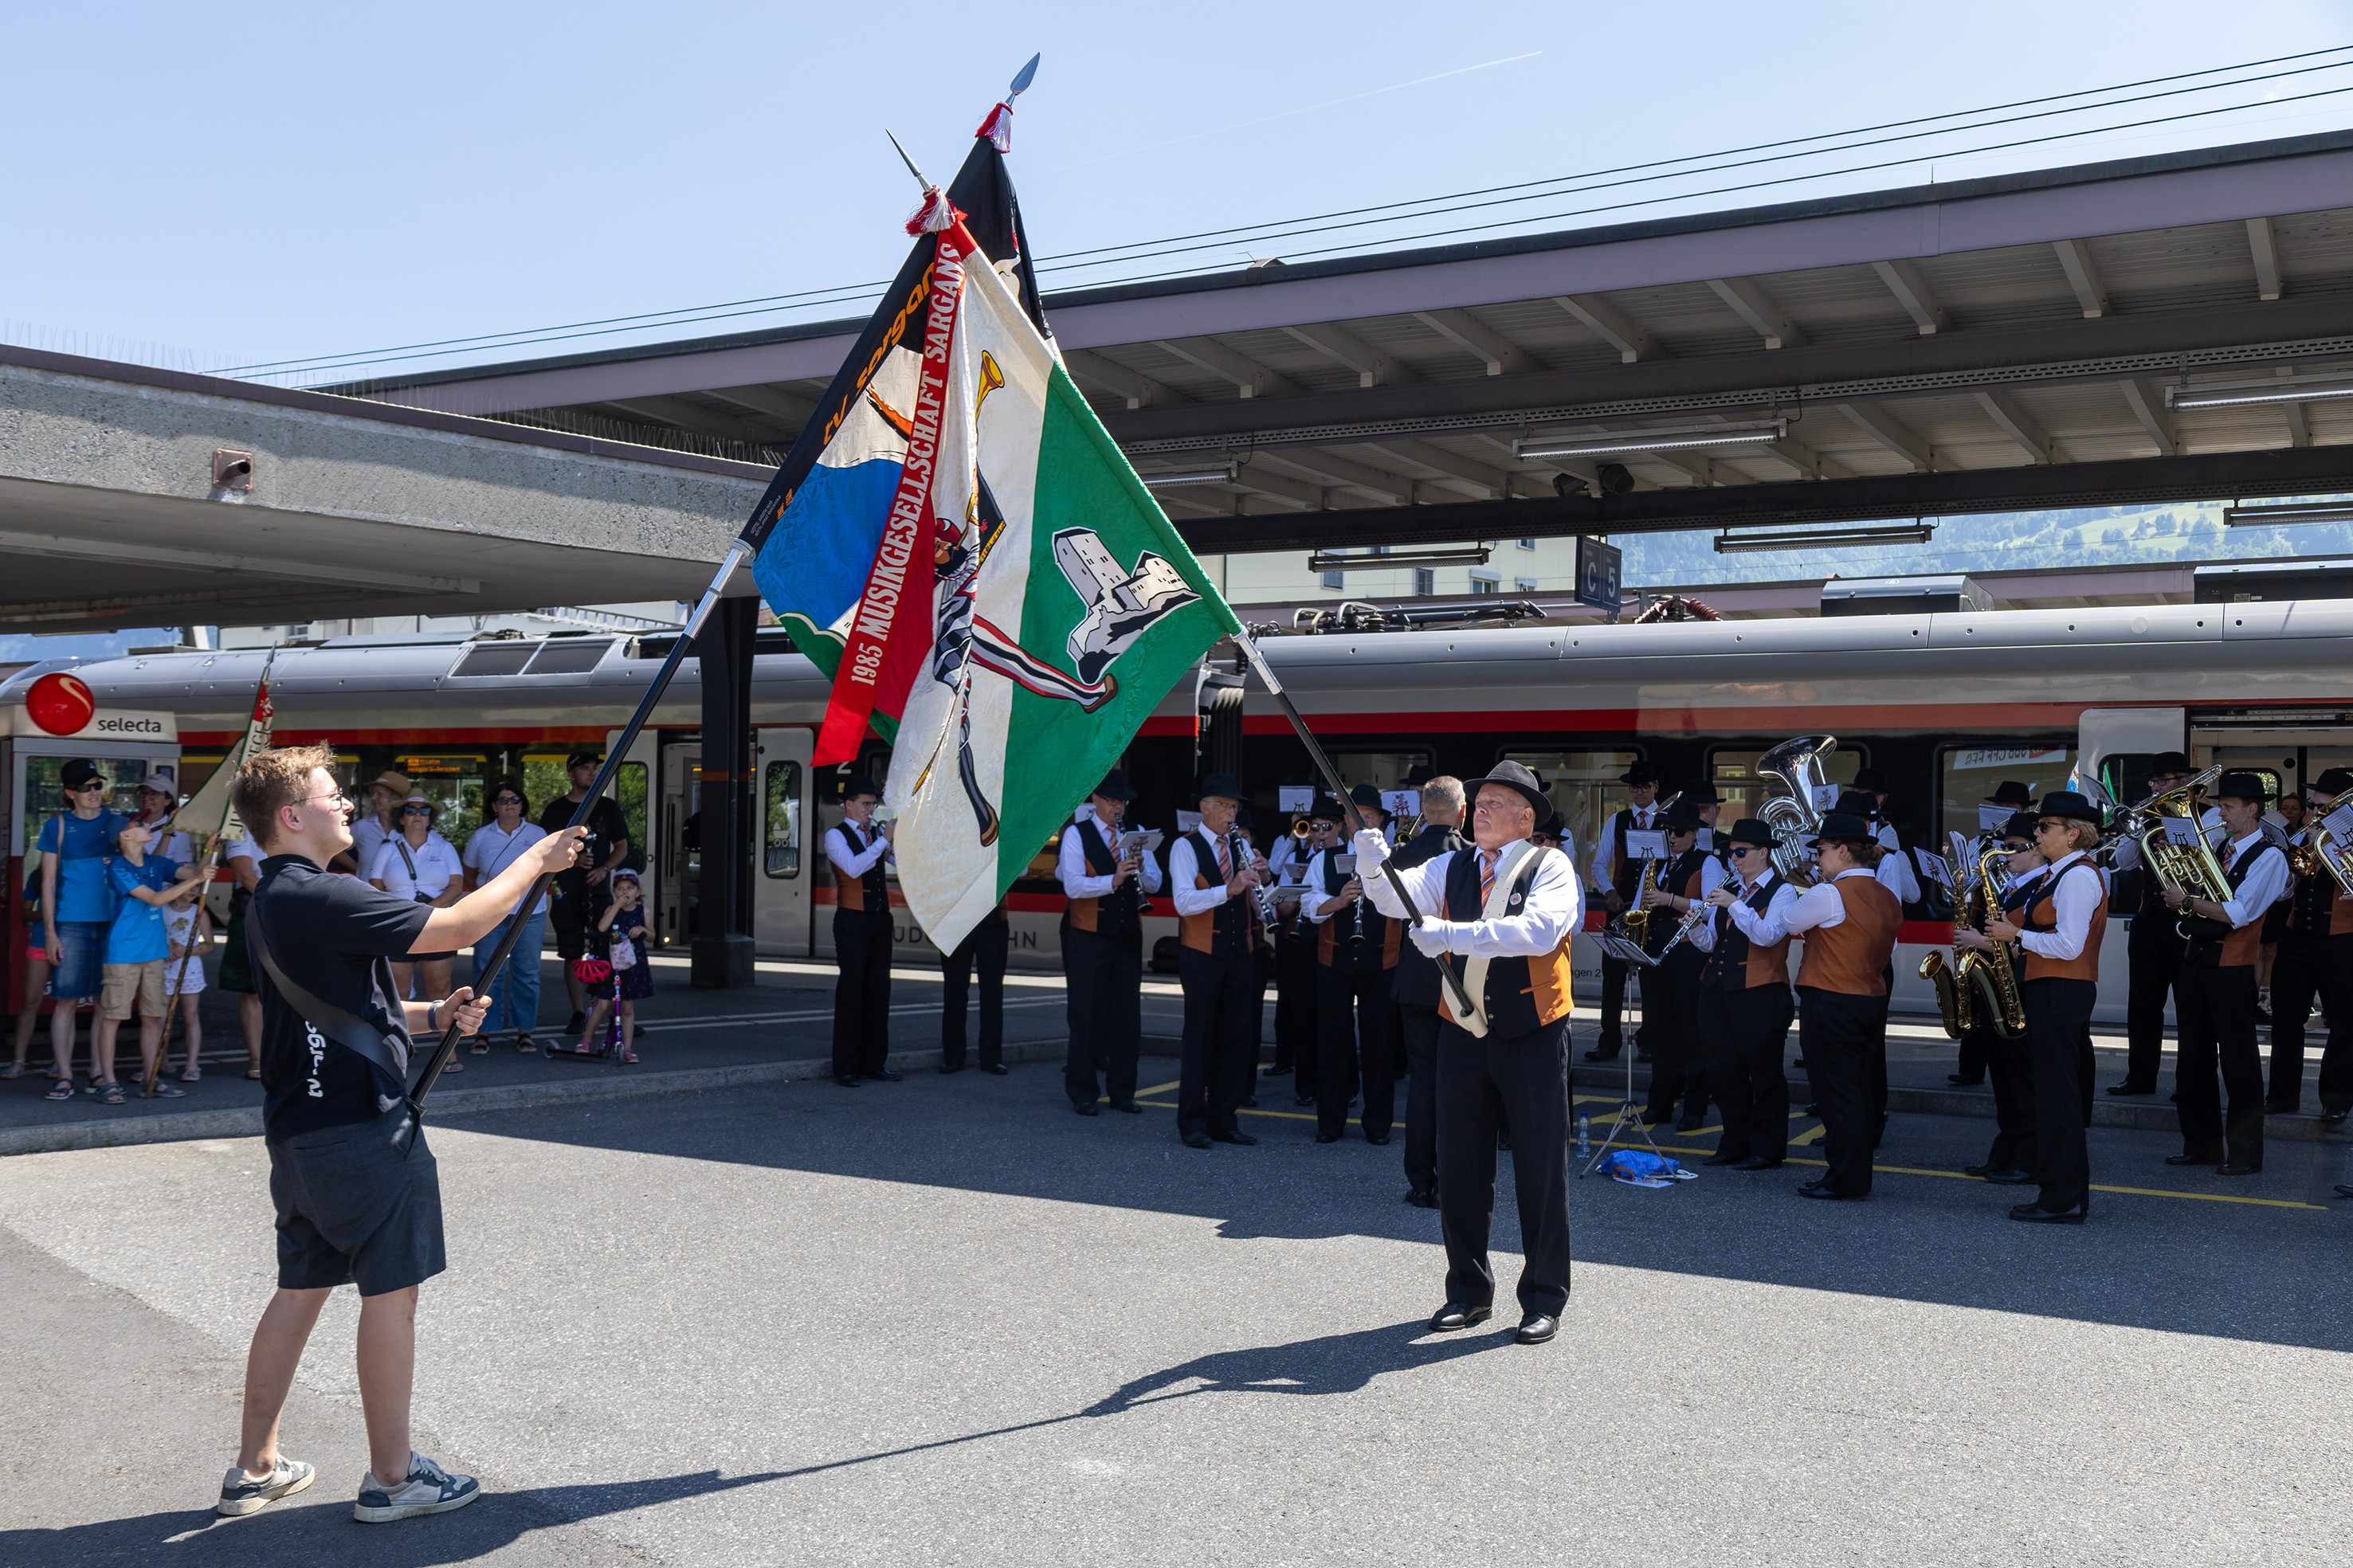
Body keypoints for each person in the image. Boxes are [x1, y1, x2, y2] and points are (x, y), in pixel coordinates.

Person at [216, 743, 582, 1525]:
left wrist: (433, 1016)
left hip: (301, 1136)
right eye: (329, 793)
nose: (345, 804)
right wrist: (538, 861)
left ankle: (255, 1467)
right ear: (290, 816)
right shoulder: (322, 894)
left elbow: (349, 1011)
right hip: (364, 1132)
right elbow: (456, 925)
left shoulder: (275, 898)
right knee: (392, 1295)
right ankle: (391, 1477)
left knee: (300, 1290)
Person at [1358, 760, 1578, 1347]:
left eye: (1496, 802)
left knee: (1540, 1168)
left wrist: (1450, 935)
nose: (1480, 808)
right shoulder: (1451, 863)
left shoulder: (1550, 865)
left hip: (1532, 1031)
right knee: (1459, 1166)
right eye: (1477, 801)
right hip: (1460, 1028)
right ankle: (1467, 1291)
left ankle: (1543, 1296)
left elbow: (1535, 931)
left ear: (1526, 817)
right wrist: (1370, 862)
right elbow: (1393, 901)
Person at [1977, 793, 2108, 1224]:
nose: (2036, 833)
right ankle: (2058, 1193)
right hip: (2051, 989)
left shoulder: (2078, 877)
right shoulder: (2060, 874)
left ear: (2073, 834)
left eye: (2045, 826)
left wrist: (2015, 935)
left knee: (2059, 1099)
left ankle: (2063, 1198)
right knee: (2051, 1097)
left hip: (2062, 990)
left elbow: (2070, 946)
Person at [2163, 772, 2289, 1176]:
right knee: (2192, 1060)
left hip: (2233, 967)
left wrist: (2189, 900)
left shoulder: (2269, 856)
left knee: (2239, 1064)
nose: (2221, 812)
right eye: (2221, 805)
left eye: (2228, 806)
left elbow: (2240, 913)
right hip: (2198, 962)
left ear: (2252, 810)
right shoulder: (2219, 849)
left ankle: (2245, 1154)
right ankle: (2201, 1146)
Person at [1779, 811, 1903, 1201]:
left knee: (1836, 1093)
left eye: (1823, 850)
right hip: (1868, 997)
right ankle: (1854, 1175)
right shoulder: (1886, 894)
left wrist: (1808, 889)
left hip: (1830, 999)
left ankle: (1845, 1178)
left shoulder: (1828, 892)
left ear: (1844, 851)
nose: (1818, 858)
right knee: (1859, 1091)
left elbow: (1787, 921)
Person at [1300, 784, 1402, 1146]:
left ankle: (1377, 1125)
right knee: (1333, 1044)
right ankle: (1331, 1121)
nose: (1362, 824)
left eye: (1369, 818)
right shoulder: (1323, 859)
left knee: (1379, 1045)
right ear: (1346, 822)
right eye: (1356, 818)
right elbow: (1309, 906)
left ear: (1380, 823)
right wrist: (1338, 901)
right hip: (1335, 959)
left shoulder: (1395, 861)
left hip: (1381, 961)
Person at [1168, 774, 1265, 1149]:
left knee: (1236, 1037)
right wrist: (1230, 888)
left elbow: (1257, 902)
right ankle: (1192, 1122)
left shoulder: (1239, 845)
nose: (1232, 812)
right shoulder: (1185, 847)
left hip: (1240, 951)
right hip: (1202, 954)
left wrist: (1264, 882)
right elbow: (1183, 902)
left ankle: (1225, 1118)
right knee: (1200, 1036)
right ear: (1204, 807)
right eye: (1224, 805)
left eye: (1235, 806)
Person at [1696, 819, 1800, 1168]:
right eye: (1731, 853)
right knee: (1723, 1070)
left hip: (1760, 992)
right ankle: (1734, 1142)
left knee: (1764, 1072)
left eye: (1741, 852)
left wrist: (1733, 904)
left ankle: (1768, 1148)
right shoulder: (1734, 889)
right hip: (1719, 989)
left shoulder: (1783, 891)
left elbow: (1769, 936)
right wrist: (1695, 925)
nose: (1734, 860)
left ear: (1764, 853)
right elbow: (1713, 942)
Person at [1057, 770, 1158, 1110]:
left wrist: (1141, 869)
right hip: (1088, 936)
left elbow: (1156, 883)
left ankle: (1123, 1091)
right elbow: (1072, 886)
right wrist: (1112, 880)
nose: (1119, 808)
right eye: (1112, 801)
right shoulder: (1076, 834)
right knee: (1087, 1014)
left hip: (1127, 934)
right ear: (1096, 800)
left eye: (1123, 802)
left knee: (1127, 1016)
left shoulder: (1137, 833)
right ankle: (1083, 1092)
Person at [1951, 815, 2043, 1183]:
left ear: (2034, 849)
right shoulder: (2013, 885)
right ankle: (2006, 1151)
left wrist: (1978, 942)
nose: (2005, 853)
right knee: (2004, 1080)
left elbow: (2028, 945)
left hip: (2021, 992)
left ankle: (2028, 1158)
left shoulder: (2042, 887)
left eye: (2013, 846)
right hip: (1999, 992)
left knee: (2022, 1080)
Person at [91, 823, 211, 1103]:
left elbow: (193, 874)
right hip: (123, 952)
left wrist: (209, 848)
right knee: (113, 1018)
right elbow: (155, 898)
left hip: (154, 952)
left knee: (153, 1018)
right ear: (124, 835)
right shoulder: (117, 867)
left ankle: (151, 1076)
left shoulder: (157, 862)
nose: (147, 827)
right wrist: (197, 879)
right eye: (138, 825)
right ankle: (108, 1081)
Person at [1393, 775, 1467, 1208]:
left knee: (1422, 1083)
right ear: (1462, 812)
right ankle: (1455, 1180)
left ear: (1425, 810)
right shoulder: (1470, 856)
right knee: (1459, 1084)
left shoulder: (1402, 855)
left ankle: (1421, 1181)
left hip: (1415, 981)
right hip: (1456, 981)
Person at [37, 759, 128, 1102]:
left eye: (97, 785)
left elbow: (142, 855)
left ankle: (99, 1070)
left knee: (107, 1002)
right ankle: (63, 1075)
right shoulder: (56, 826)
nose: (95, 793)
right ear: (69, 793)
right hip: (71, 923)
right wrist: (50, 932)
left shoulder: (117, 823)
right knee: (66, 1002)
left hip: (113, 922)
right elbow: (47, 882)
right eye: (87, 787)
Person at [2108, 751, 2194, 1096]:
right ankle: (2140, 1077)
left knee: (2191, 1009)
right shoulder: (2149, 818)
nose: (2156, 788)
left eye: (2163, 782)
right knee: (2142, 1005)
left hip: (2190, 923)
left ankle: (2189, 1082)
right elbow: (2125, 863)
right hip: (2149, 923)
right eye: (2154, 782)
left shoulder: (2207, 818)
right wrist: (2136, 827)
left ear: (2184, 782)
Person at [1636, 797, 1723, 1131]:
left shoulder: (1709, 863)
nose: (1673, 837)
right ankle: (1661, 1102)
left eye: (1680, 832)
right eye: (1669, 831)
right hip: (1656, 954)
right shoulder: (1655, 863)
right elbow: (1640, 904)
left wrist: (1668, 899)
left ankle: (1695, 1107)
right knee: (1659, 1031)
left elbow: (1713, 906)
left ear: (1695, 833)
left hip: (1689, 953)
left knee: (1691, 1032)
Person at [2276, 769, 2353, 1120]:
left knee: (2344, 1022)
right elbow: (2284, 891)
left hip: (2341, 940)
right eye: (2314, 806)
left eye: (2322, 808)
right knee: (2286, 1019)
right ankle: (2281, 1096)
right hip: (2296, 937)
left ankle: (2335, 1100)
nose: (2314, 813)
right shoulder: (2306, 837)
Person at [539, 753, 631, 1036]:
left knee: (610, 950)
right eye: (584, 769)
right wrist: (572, 860)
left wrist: (604, 868)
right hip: (567, 890)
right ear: (570, 774)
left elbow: (622, 848)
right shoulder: (555, 811)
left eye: (595, 769)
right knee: (573, 952)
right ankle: (579, 1013)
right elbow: (542, 851)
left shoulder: (608, 807)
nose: (592, 773)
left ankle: (617, 1011)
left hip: (601, 892)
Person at [461, 781, 549, 1053]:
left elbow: (550, 871)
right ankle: (484, 1032)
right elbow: (469, 875)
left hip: (530, 914)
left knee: (528, 973)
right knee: (487, 973)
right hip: (491, 915)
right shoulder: (481, 836)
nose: (509, 804)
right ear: (494, 806)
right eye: (503, 800)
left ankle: (525, 1031)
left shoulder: (538, 834)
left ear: (522, 804)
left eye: (514, 799)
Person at [1586, 761, 1662, 1062]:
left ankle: (1650, 1040)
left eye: (1645, 786)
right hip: (1620, 910)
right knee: (1612, 979)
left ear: (1656, 787)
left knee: (1653, 982)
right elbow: (1598, 864)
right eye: (1634, 787)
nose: (1639, 792)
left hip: (1653, 909)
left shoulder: (1667, 820)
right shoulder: (1617, 820)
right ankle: (1609, 1041)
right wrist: (1610, 892)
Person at [826, 775, 899, 1088]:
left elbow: (894, 863)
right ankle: (845, 1065)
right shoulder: (835, 835)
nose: (871, 809)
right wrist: (883, 841)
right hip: (853, 921)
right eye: (866, 804)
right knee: (852, 992)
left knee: (879, 992)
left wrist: (894, 844)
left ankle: (873, 1062)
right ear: (849, 805)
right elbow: (853, 868)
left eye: (874, 804)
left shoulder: (875, 834)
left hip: (880, 919)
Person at [367, 798, 465, 1022]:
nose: (417, 815)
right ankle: (402, 1052)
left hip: (437, 924)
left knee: (441, 993)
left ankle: (448, 1054)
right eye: (411, 811)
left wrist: (427, 911)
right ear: (401, 818)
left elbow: (456, 886)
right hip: (400, 925)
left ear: (430, 818)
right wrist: (398, 912)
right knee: (398, 996)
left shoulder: (444, 847)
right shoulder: (387, 849)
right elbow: (375, 886)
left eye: (424, 811)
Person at [580, 868, 650, 1062]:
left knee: (627, 1008)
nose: (624, 892)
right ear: (614, 892)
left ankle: (627, 1048)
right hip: (611, 965)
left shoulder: (643, 911)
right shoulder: (610, 909)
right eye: (620, 889)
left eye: (629, 888)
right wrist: (617, 906)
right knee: (603, 1004)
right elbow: (602, 927)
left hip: (632, 966)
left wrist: (643, 929)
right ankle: (586, 1040)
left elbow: (652, 936)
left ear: (637, 891)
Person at [941, 897, 1010, 1076]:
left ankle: (992, 1058)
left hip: (993, 923)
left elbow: (1022, 871)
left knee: (993, 992)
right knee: (954, 990)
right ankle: (953, 1057)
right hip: (955, 921)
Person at [219, 828, 267, 1081]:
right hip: (254, 911)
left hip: (288, 909)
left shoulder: (293, 817)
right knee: (253, 991)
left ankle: (289, 1056)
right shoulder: (239, 826)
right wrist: (286, 899)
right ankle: (257, 1058)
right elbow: (245, 875)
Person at [161, 876, 212, 1082]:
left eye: (198, 886)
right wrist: (164, 950)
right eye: (190, 885)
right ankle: (160, 1061)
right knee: (161, 1019)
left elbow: (210, 945)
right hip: (164, 970)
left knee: (190, 1016)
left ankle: (192, 1064)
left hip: (190, 971)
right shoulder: (162, 909)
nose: (195, 890)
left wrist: (186, 950)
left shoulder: (199, 912)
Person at [347, 770, 412, 882]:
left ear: (394, 798)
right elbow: (336, 848)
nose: (373, 798)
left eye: (379, 794)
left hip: (399, 896)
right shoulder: (362, 827)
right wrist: (357, 867)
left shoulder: (409, 829)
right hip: (367, 895)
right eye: (372, 793)